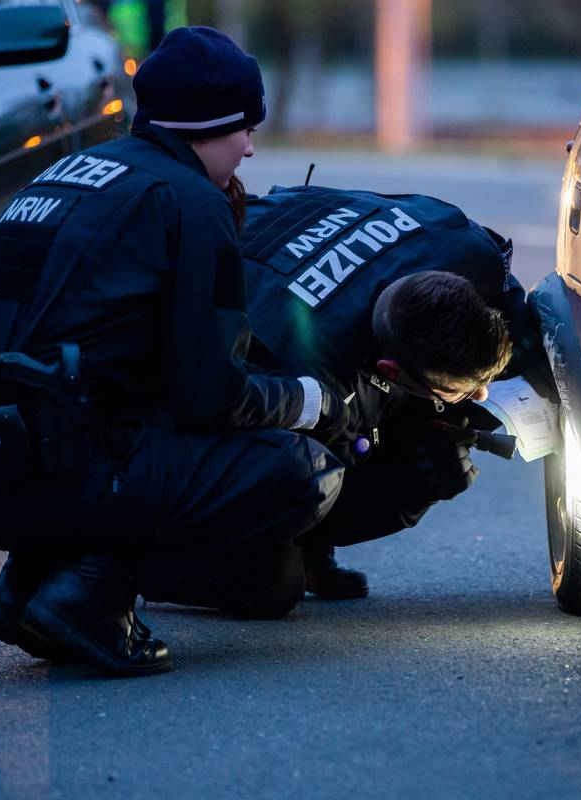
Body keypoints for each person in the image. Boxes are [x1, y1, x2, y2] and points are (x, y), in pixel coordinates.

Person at [0, 27, 355, 677]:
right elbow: (209, 395)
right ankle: (92, 592)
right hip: (50, 476)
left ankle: (31, 583)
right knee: (303, 472)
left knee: (121, 416)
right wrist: (307, 400)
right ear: (210, 123)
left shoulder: (75, 174)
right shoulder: (189, 201)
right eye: (244, 125)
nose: (248, 146)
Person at [134, 184, 551, 615]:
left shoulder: (466, 248)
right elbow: (316, 489)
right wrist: (414, 489)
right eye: (460, 386)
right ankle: (133, 566)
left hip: (297, 247)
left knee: (431, 409)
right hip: (206, 368)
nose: (482, 394)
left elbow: (509, 307)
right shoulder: (308, 373)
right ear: (387, 370)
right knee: (273, 586)